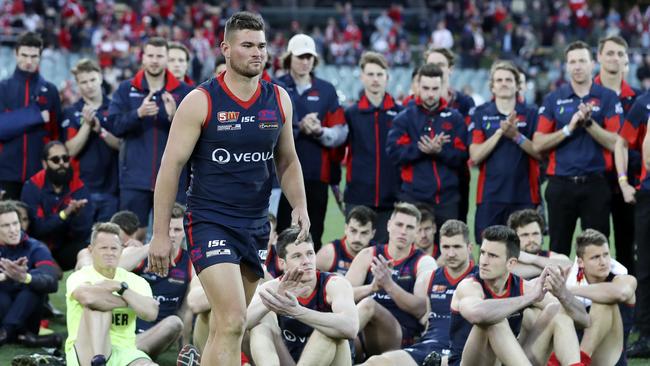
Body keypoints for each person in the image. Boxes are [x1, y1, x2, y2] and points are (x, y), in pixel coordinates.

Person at [147, 12, 309, 366]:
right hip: (209, 222)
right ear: (225, 49)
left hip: (254, 225)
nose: (257, 53)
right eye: (247, 45)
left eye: (262, 46)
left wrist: (299, 205)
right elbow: (169, 168)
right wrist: (160, 234)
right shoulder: (200, 101)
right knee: (235, 320)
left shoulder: (279, 99)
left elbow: (288, 160)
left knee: (225, 327)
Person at [448, 226, 589, 366]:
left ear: (511, 263)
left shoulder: (523, 287)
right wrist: (529, 298)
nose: (484, 261)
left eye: (492, 256)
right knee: (495, 322)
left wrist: (562, 294)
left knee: (557, 309)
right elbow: (476, 314)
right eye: (483, 253)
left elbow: (584, 320)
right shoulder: (469, 286)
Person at [533, 41, 622, 256]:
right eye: (572, 61)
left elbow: (616, 142)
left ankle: (597, 290)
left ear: (593, 64)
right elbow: (538, 144)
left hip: (596, 184)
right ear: (566, 66)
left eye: (582, 60)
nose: (578, 66)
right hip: (560, 184)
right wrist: (569, 128)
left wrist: (589, 124)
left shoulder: (607, 97)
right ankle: (555, 291)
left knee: (597, 251)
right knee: (557, 251)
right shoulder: (554, 98)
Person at [106, 37, 192, 240]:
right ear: (143, 58)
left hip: (173, 179)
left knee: (173, 236)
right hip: (135, 178)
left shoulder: (184, 92)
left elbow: (196, 137)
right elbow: (114, 126)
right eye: (150, 55)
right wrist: (138, 114)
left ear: (166, 59)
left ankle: (173, 273)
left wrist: (174, 118)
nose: (155, 60)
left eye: (160, 56)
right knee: (132, 235)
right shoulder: (126, 89)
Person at [361, 220, 477, 366]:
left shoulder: (479, 278)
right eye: (446, 247)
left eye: (457, 247)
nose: (451, 253)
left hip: (461, 352)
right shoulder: (430, 278)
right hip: (428, 347)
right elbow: (425, 318)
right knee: (375, 362)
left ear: (469, 248)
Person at [247, 227, 358, 365]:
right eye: (297, 256)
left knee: (327, 332)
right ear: (282, 263)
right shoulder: (274, 287)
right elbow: (240, 323)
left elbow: (351, 327)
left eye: (310, 253)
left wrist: (297, 311)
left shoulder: (334, 284)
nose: (306, 261)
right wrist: (274, 301)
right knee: (260, 325)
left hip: (333, 361)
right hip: (290, 361)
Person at [276, 33, 347, 251]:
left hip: (318, 174)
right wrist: (298, 126)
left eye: (309, 57)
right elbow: (266, 128)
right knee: (280, 234)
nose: (305, 62)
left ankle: (311, 281)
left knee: (314, 234)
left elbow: (340, 132)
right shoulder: (275, 86)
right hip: (280, 175)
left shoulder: (326, 90)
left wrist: (319, 130)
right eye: (300, 57)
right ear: (289, 58)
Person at [346, 202, 437, 357]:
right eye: (399, 225)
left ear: (416, 232)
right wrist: (371, 288)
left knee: (369, 305)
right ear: (388, 225)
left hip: (399, 337)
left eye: (409, 227)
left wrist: (389, 285)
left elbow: (422, 308)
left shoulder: (424, 262)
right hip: (360, 334)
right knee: (336, 331)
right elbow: (343, 294)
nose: (403, 231)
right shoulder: (368, 255)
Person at [386, 63, 468, 232]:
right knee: (411, 249)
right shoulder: (405, 118)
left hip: (447, 198)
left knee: (448, 249)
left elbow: (462, 155)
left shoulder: (455, 118)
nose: (430, 94)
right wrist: (420, 150)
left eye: (435, 88)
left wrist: (440, 152)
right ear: (417, 86)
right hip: (413, 197)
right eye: (426, 88)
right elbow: (394, 152)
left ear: (443, 87)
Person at [65, 222, 159, 366]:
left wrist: (120, 288)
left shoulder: (135, 281)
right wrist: (131, 302)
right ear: (91, 250)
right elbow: (88, 298)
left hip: (124, 351)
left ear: (121, 250)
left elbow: (151, 313)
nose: (109, 252)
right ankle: (99, 359)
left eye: (114, 248)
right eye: (103, 248)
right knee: (97, 304)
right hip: (86, 351)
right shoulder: (80, 276)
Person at [468, 61, 541, 241]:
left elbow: (540, 153)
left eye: (509, 79)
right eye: (499, 80)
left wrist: (516, 136)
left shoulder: (532, 114)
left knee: (527, 249)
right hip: (490, 196)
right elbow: (475, 156)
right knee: (490, 249)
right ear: (492, 86)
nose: (504, 83)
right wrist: (500, 132)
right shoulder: (480, 114)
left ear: (517, 85)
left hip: (524, 195)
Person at [342, 52, 402, 244]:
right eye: (370, 74)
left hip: (392, 198)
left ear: (387, 77)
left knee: (386, 256)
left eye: (379, 74)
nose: (375, 79)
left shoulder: (401, 114)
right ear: (362, 77)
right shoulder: (351, 114)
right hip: (358, 195)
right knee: (355, 252)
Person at [594, 36, 639, 273]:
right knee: (595, 247)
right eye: (610, 53)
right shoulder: (586, 95)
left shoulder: (639, 98)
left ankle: (629, 303)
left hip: (630, 182)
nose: (615, 58)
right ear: (599, 57)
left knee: (628, 245)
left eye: (621, 54)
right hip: (594, 181)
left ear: (627, 60)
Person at [0, 32, 62, 200]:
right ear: (16, 54)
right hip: (5, 173)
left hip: (39, 174)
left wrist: (14, 120)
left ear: (40, 57)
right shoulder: (2, 88)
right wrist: (36, 115)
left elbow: (56, 135)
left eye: (34, 56)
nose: (29, 61)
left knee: (36, 225)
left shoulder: (50, 91)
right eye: (24, 55)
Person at [566, 229, 637, 365]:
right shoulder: (569, 278)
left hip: (610, 360)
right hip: (572, 355)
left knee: (603, 302)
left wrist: (568, 291)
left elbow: (620, 293)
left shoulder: (625, 279)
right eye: (595, 257)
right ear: (581, 262)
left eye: (606, 255)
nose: (603, 262)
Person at [20, 141, 94, 270]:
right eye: (55, 159)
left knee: (87, 249)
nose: (62, 164)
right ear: (44, 163)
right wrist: (65, 214)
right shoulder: (32, 186)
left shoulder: (78, 187)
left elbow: (83, 232)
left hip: (65, 246)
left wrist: (77, 215)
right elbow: (37, 228)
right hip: (38, 245)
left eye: (65, 159)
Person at [63, 58, 120, 223]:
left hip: (112, 189)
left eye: (93, 80)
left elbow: (122, 145)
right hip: (82, 189)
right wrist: (86, 126)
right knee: (84, 242)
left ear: (101, 78)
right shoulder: (72, 112)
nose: (89, 85)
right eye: (83, 82)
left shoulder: (115, 108)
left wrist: (100, 130)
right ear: (77, 85)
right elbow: (70, 150)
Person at [615, 93, 650, 357]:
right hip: (648, 194)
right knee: (646, 266)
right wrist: (624, 181)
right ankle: (645, 333)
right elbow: (623, 143)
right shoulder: (644, 103)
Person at [424, 48, 475, 223]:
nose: (436, 69)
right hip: (421, 181)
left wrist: (441, 149)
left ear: (450, 68)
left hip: (457, 179)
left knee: (455, 235)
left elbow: (468, 143)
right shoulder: (413, 104)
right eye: (431, 65)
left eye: (441, 64)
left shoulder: (465, 103)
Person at [0, 201, 59, 347]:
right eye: (6, 226)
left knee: (34, 283)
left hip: (28, 316)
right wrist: (6, 276)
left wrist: (25, 277)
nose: (13, 230)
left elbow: (52, 282)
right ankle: (23, 337)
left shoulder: (36, 248)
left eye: (15, 223)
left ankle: (6, 332)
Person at [507, 209, 571, 279]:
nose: (531, 239)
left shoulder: (552, 256)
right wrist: (549, 267)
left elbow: (570, 266)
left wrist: (532, 259)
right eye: (525, 235)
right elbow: (510, 271)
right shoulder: (508, 258)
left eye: (535, 234)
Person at [316, 205, 376, 275]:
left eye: (364, 233)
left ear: (373, 233)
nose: (357, 238)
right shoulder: (328, 253)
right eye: (353, 231)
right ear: (346, 228)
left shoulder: (379, 255)